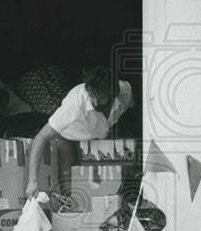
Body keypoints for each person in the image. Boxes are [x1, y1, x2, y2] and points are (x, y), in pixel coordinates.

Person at [25, 66, 134, 200]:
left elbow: (133, 110)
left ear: (112, 94)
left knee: (106, 185)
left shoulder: (125, 91)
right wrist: (33, 181)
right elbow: (41, 137)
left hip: (97, 136)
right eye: (92, 96)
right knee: (71, 191)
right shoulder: (75, 103)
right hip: (67, 138)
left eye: (100, 98)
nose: (95, 102)